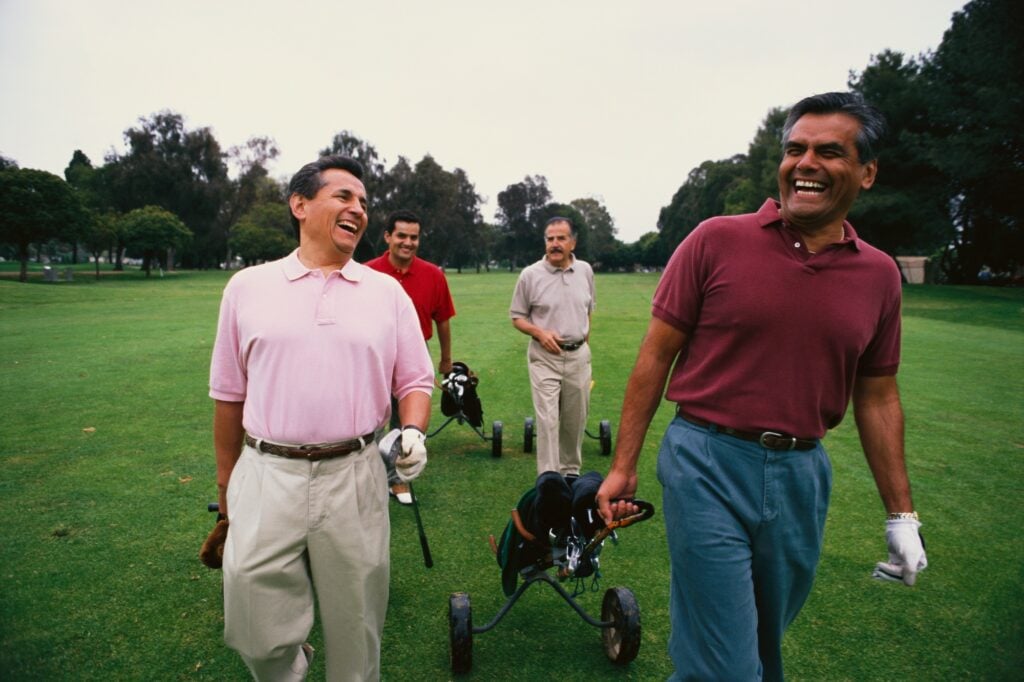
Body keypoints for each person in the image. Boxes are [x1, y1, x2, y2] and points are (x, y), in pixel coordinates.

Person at [596, 92, 928, 681]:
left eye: (829, 152)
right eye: (795, 149)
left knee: (761, 651)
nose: (806, 163)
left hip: (802, 476)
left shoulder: (879, 275)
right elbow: (655, 359)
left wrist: (901, 516)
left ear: (867, 173)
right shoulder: (714, 240)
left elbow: (877, 396)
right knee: (725, 668)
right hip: (705, 461)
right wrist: (623, 466)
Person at [209, 155, 435, 681]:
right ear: (300, 204)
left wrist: (414, 431)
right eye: (344, 196)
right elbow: (227, 396)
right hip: (267, 473)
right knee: (253, 622)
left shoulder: (387, 293)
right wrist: (227, 485)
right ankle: (290, 663)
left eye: (362, 201)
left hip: (354, 473)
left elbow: (415, 381)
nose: (357, 208)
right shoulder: (247, 287)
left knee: (356, 628)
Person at [365, 209, 456, 504]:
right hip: (374, 354)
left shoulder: (433, 275)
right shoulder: (366, 272)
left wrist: (445, 359)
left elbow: (442, 319)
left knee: (406, 420)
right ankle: (366, 479)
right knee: (371, 418)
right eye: (401, 235)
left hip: (414, 353)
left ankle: (397, 482)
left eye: (413, 237)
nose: (408, 242)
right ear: (388, 236)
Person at [510, 217, 595, 476]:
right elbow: (517, 317)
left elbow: (588, 310)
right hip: (544, 357)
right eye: (550, 239)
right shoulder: (530, 275)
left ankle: (570, 475)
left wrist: (583, 346)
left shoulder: (585, 271)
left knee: (575, 420)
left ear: (573, 242)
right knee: (548, 420)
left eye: (561, 238)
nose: (555, 244)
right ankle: (548, 479)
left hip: (578, 356)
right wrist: (539, 332)